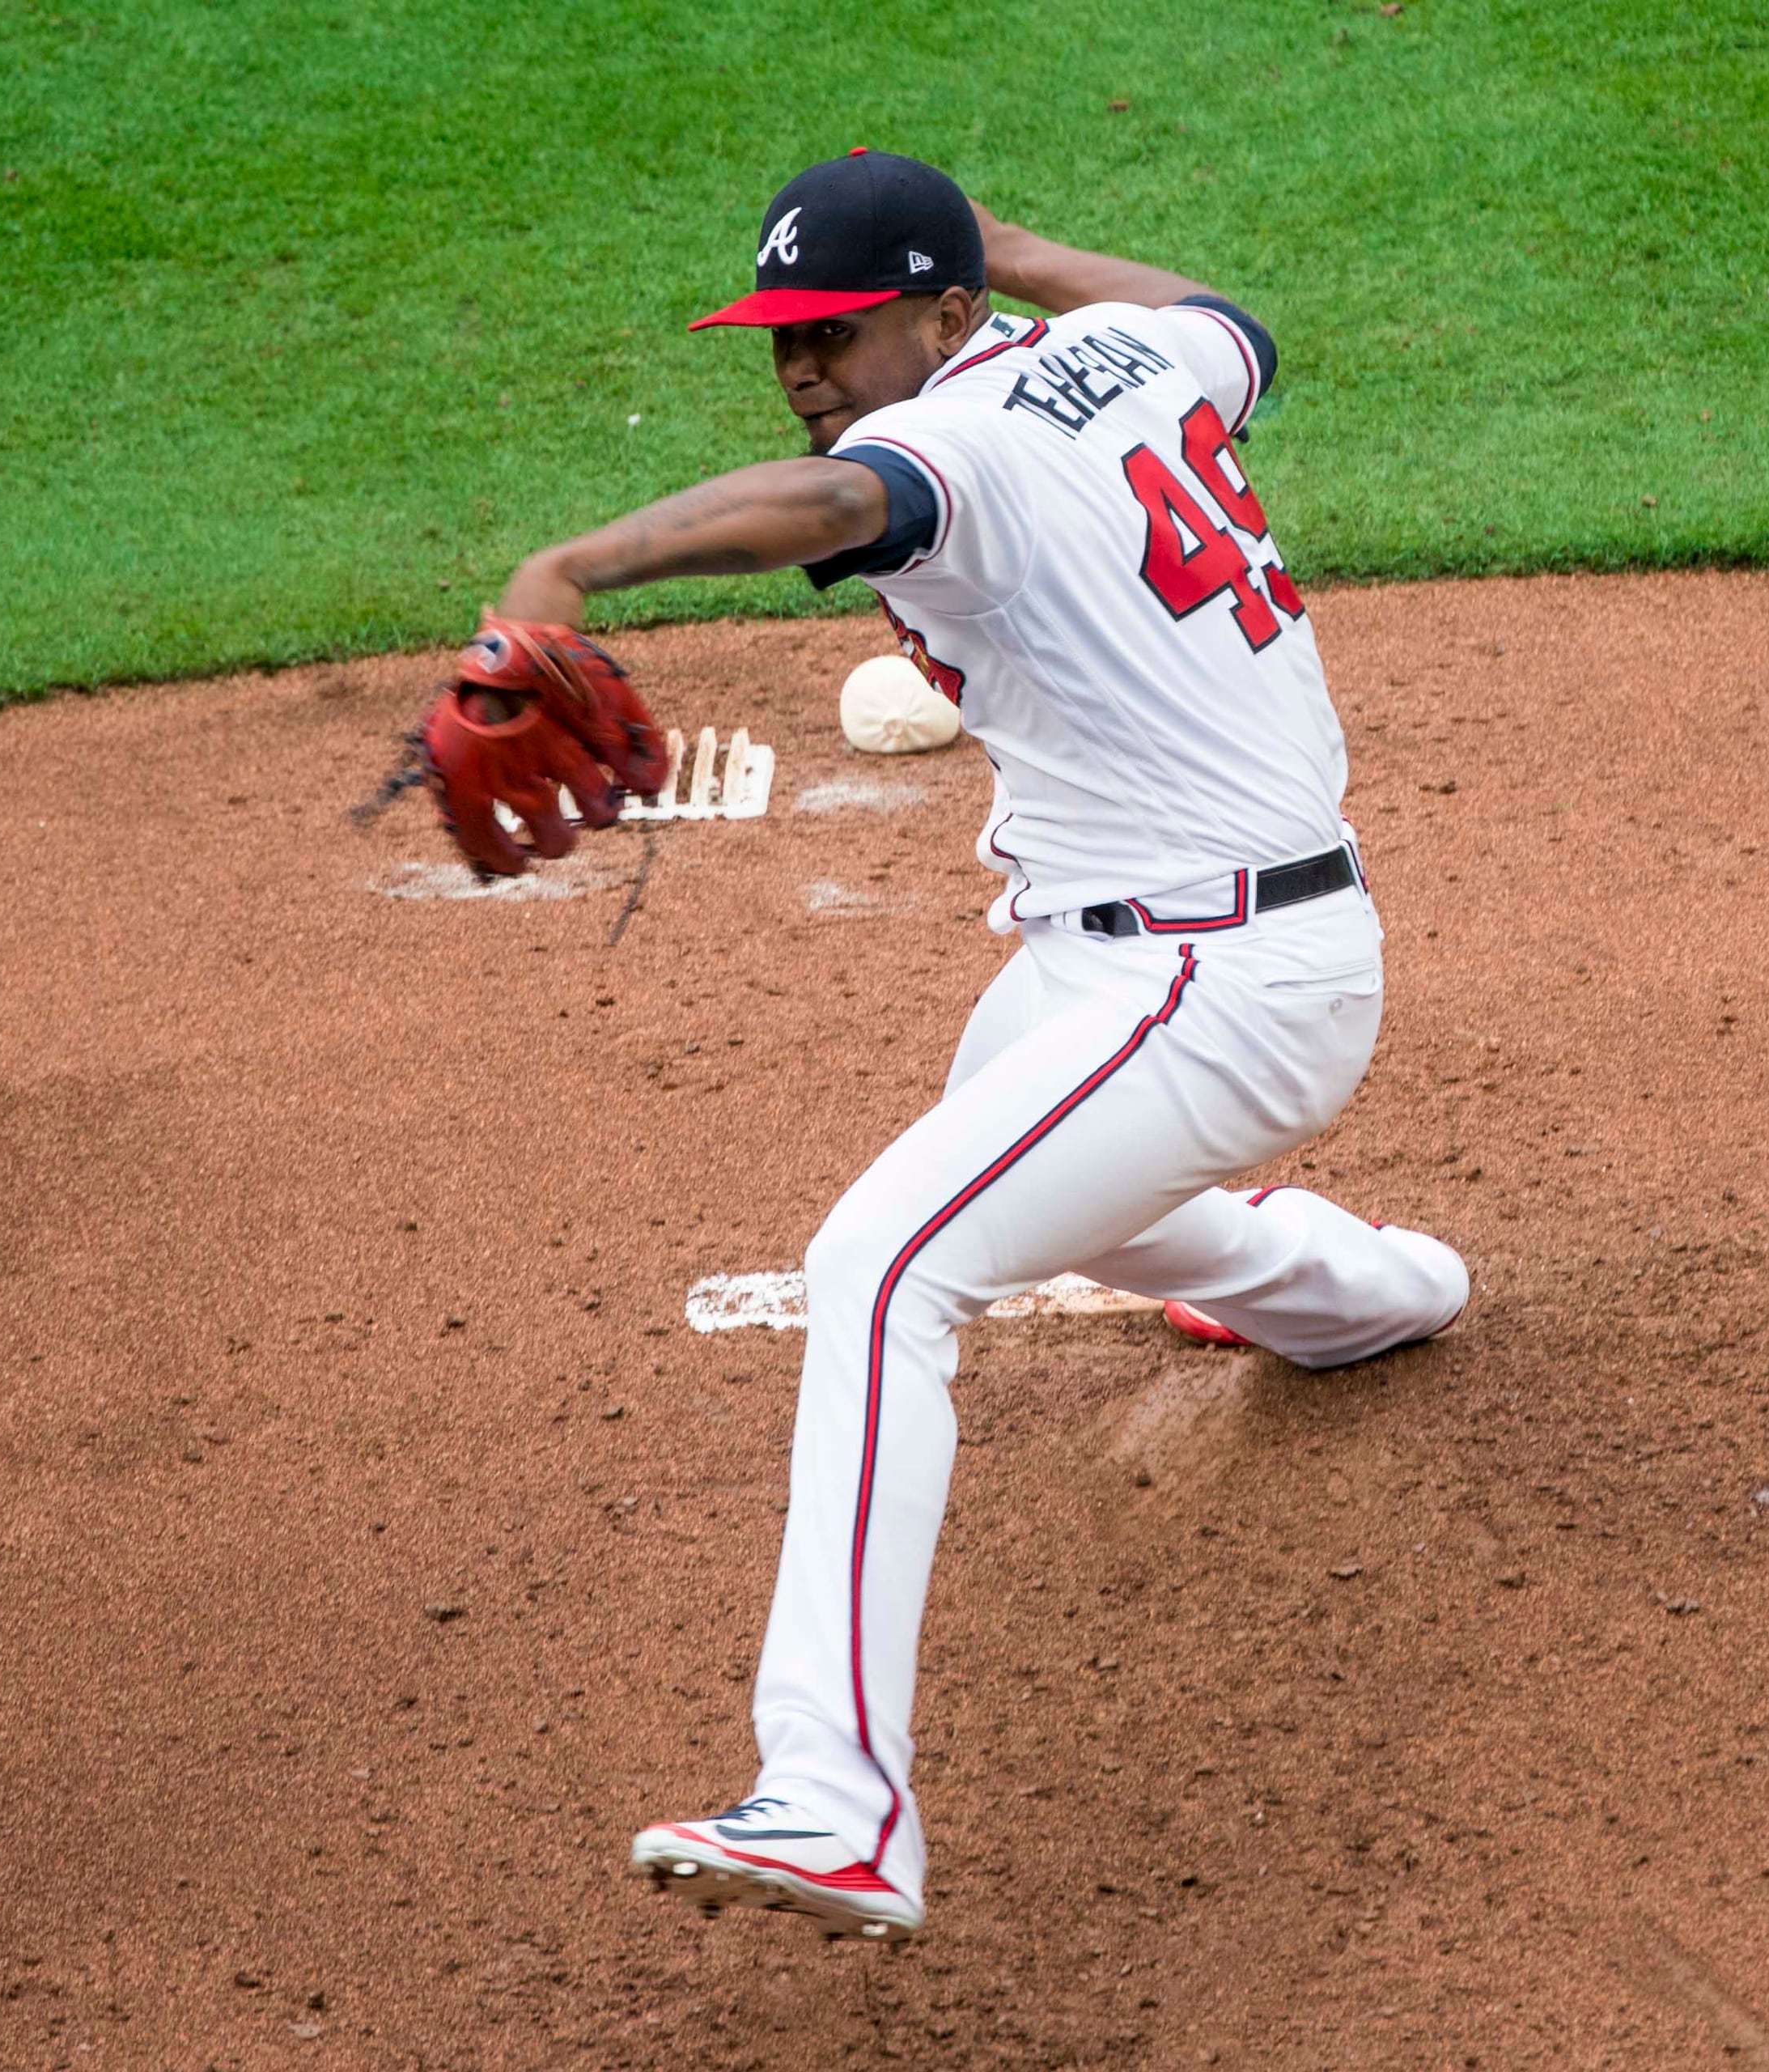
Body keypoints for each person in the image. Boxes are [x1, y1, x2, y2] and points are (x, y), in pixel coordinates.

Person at [424, 150, 1468, 1942]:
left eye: (837, 330)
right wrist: (1026, 248)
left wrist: (569, 568)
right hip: (1137, 963)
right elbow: (1240, 325)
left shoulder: (951, 453)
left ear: (944, 313)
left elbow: (814, 506)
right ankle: (1366, 1288)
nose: (807, 367)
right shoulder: (1137, 352)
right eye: (780, 341)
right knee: (1075, 1192)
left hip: (1219, 981)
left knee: (883, 1260)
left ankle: (836, 1802)